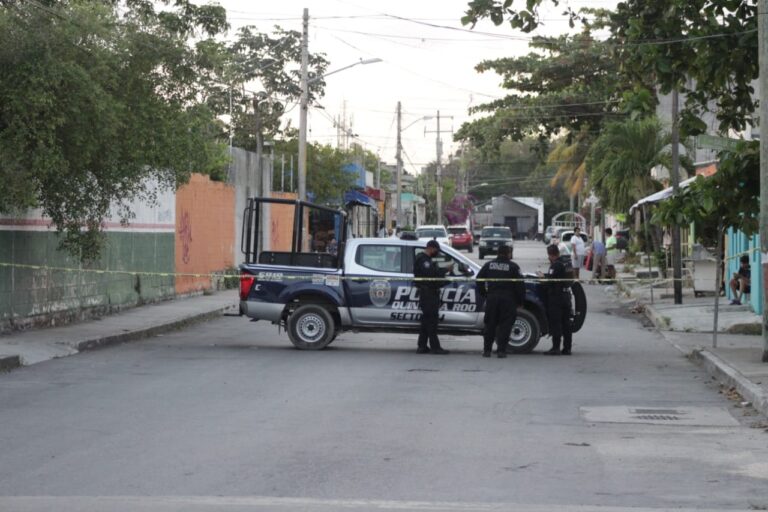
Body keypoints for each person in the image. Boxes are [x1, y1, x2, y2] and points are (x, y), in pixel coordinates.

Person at [476, 244, 525, 358]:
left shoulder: (489, 265)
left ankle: (487, 350)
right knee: (505, 325)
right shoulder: (513, 267)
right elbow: (520, 285)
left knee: (490, 324)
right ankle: (501, 351)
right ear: (508, 253)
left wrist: (484, 293)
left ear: (497, 253)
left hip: (492, 298)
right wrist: (520, 301)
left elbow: (479, 279)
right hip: (508, 300)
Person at [413, 240, 452, 354]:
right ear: (430, 248)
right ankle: (435, 347)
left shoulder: (426, 259)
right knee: (431, 321)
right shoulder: (423, 259)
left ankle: (422, 346)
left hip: (429, 293)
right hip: (428, 293)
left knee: (426, 321)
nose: (436, 253)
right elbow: (430, 273)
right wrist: (446, 269)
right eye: (436, 250)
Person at [539, 244, 573, 355]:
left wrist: (543, 279)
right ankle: (567, 348)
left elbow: (551, 281)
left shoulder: (556, 265)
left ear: (551, 255)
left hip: (556, 297)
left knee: (556, 323)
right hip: (566, 295)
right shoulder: (567, 262)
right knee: (566, 324)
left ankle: (556, 348)